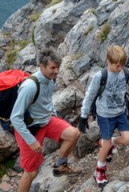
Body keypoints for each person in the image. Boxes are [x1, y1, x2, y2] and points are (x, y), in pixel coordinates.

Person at [77, 45, 129, 187]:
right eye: (117, 66)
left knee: (127, 139)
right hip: (105, 115)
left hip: (120, 113)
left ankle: (106, 143)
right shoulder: (100, 77)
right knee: (107, 143)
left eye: (122, 65)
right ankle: (99, 170)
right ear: (108, 61)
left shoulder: (126, 73)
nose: (119, 69)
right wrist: (83, 116)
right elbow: (89, 96)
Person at [10, 49, 82, 192]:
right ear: (41, 66)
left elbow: (47, 100)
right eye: (52, 68)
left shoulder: (49, 80)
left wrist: (53, 114)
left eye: (57, 67)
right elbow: (15, 117)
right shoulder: (29, 86)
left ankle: (60, 166)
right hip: (29, 128)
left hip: (45, 121)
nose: (56, 71)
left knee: (73, 134)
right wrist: (31, 141)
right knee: (31, 172)